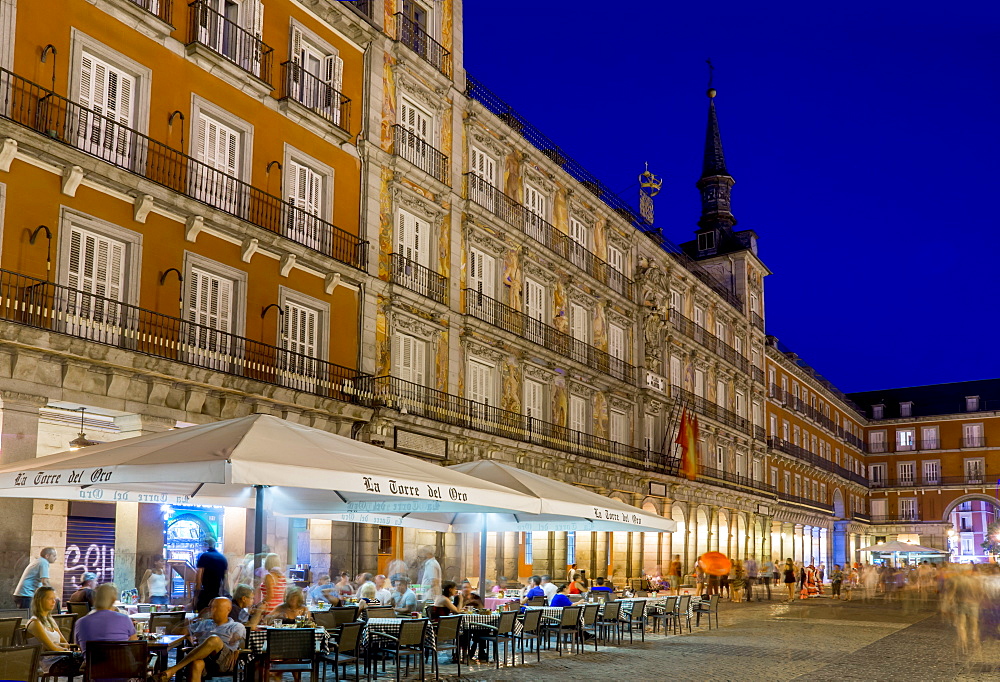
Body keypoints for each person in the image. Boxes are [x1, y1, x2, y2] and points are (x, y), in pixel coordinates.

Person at [159, 597, 246, 682]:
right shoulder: (204, 623)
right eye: (211, 607)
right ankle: (171, 671)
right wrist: (195, 619)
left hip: (225, 661)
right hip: (204, 658)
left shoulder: (236, 626)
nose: (212, 610)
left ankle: (173, 669)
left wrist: (239, 649)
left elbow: (241, 642)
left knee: (214, 639)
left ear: (228, 609)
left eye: (216, 607)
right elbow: (178, 631)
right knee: (196, 664)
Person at [26, 585, 82, 678]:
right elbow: (51, 647)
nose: (53, 602)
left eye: (54, 599)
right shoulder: (35, 623)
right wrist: (64, 650)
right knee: (91, 663)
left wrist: (62, 648)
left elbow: (65, 642)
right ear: (40, 601)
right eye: (50, 599)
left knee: (93, 660)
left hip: (62, 657)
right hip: (50, 664)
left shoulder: (50, 620)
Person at [75, 583, 138, 652]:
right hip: (121, 662)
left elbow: (80, 647)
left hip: (93, 662)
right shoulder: (125, 619)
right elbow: (135, 645)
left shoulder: (81, 623)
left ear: (94, 599)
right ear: (113, 600)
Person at [195, 538, 228, 611]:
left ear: (206, 545)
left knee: (202, 611)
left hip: (205, 590)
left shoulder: (204, 556)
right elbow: (226, 576)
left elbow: (200, 573)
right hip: (217, 590)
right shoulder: (222, 557)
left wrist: (197, 589)